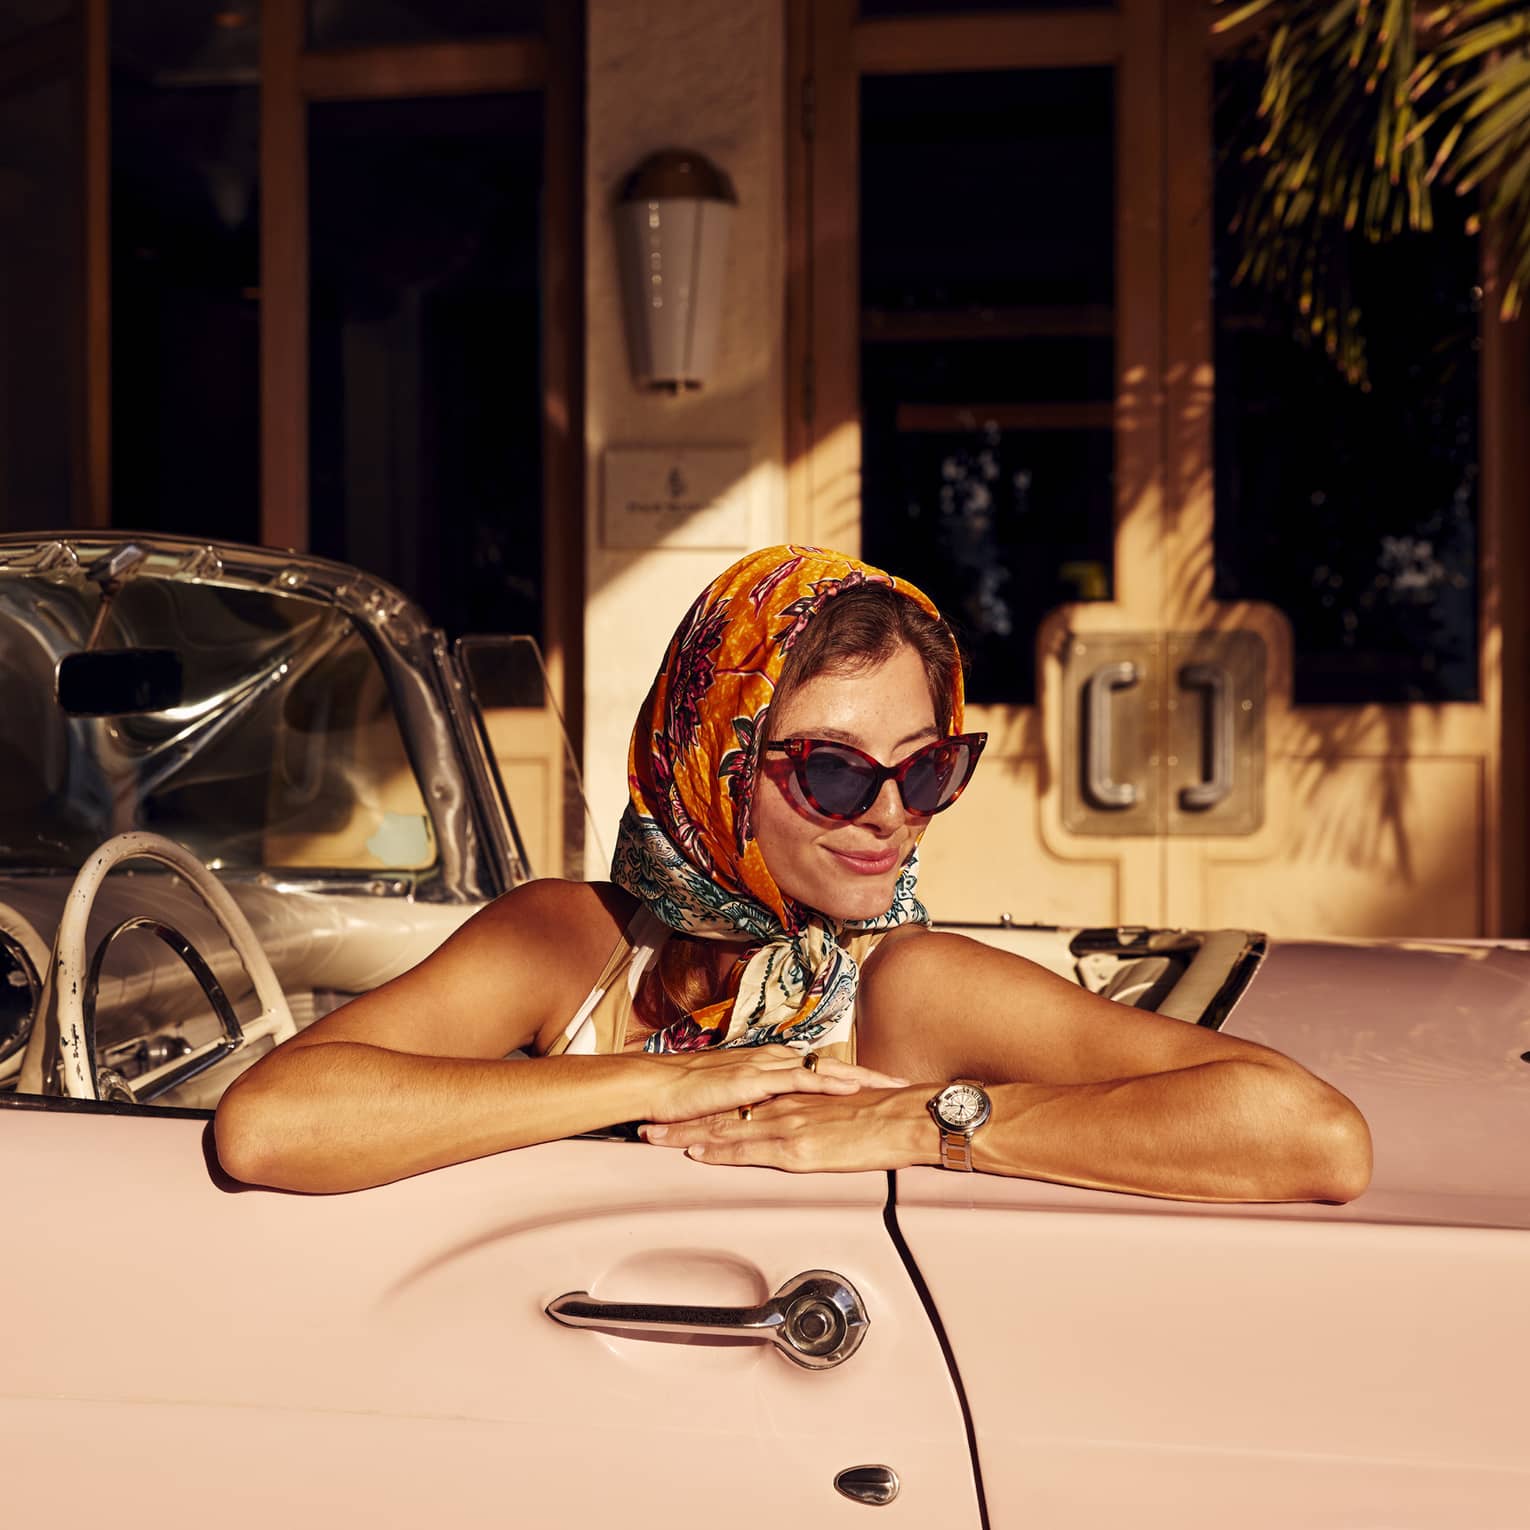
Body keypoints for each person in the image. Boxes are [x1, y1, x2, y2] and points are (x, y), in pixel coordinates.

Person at [214, 545, 1372, 1200]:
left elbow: (1311, 1133)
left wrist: (940, 1123)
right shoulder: (575, 943)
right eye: (830, 772)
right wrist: (663, 1084)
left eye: (926, 772)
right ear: (711, 761)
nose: (886, 818)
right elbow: (271, 1124)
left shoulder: (905, 988)